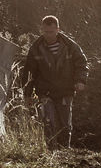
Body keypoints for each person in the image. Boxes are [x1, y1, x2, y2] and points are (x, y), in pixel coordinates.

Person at [22, 15, 88, 149]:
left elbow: (82, 63)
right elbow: (29, 72)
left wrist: (80, 80)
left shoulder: (70, 46)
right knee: (48, 122)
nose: (48, 35)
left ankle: (64, 152)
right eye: (45, 32)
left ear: (58, 29)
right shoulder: (36, 48)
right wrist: (27, 94)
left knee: (65, 124)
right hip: (45, 92)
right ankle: (51, 152)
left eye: (51, 32)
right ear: (42, 30)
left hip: (65, 90)